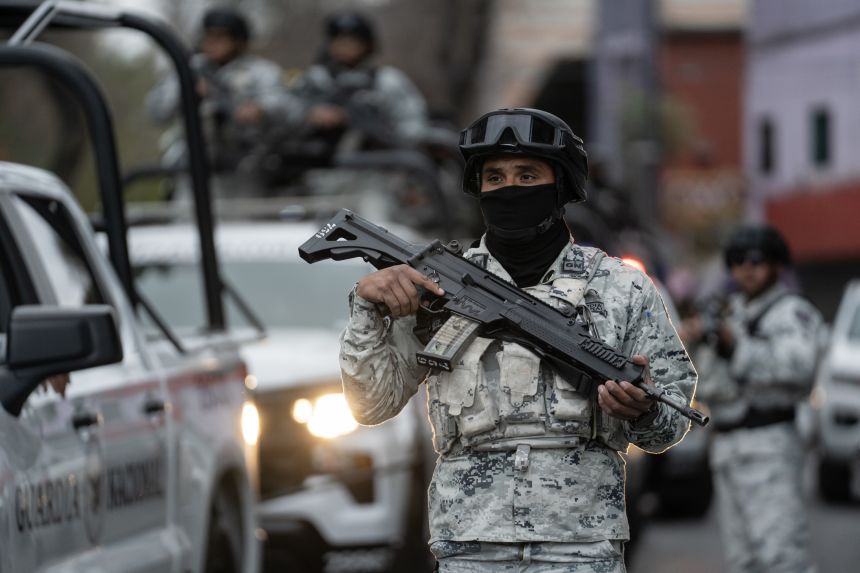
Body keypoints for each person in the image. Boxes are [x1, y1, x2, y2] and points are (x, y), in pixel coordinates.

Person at [339, 108, 697, 571]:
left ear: (561, 186)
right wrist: (367, 309)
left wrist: (643, 409)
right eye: (495, 177)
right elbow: (371, 405)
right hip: (469, 546)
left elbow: (670, 425)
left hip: (579, 547)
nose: (510, 189)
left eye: (527, 175)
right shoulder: (438, 287)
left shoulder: (620, 288)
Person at [682, 224, 821, 573]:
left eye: (757, 260)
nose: (747, 268)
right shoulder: (730, 311)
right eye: (738, 260)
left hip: (768, 444)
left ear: (777, 265)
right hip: (727, 446)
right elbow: (706, 380)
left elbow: (800, 366)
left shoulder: (791, 312)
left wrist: (735, 345)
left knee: (781, 558)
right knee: (742, 561)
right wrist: (696, 339)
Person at [146, 7, 303, 197]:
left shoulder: (261, 72)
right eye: (209, 36)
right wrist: (186, 92)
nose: (213, 43)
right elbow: (155, 112)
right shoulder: (188, 69)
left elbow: (293, 112)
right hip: (194, 171)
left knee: (247, 223)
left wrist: (260, 109)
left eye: (222, 37)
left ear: (239, 40)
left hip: (248, 171)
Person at [290, 10, 429, 153]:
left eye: (352, 40)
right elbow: (284, 115)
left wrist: (378, 133)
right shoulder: (314, 79)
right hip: (319, 167)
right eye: (339, 39)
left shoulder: (388, 81)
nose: (344, 46)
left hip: (381, 164)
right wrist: (310, 114)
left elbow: (415, 126)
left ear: (367, 45)